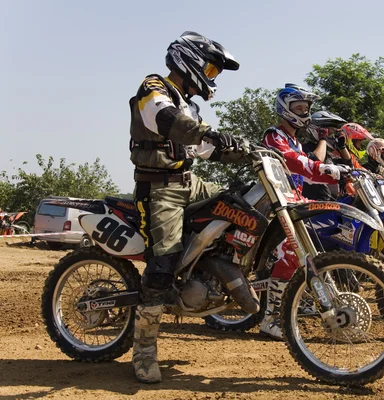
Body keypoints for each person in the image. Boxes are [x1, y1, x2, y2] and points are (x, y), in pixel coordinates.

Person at [129, 31, 242, 383]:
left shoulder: (188, 104)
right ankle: (144, 350)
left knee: (239, 204)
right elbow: (167, 120)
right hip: (158, 189)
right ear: (188, 59)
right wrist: (207, 135)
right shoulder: (154, 88)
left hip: (189, 183)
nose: (211, 78)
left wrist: (241, 149)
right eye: (210, 69)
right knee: (162, 261)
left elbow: (205, 148)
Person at [261, 84, 347, 339]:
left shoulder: (296, 140)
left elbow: (307, 172)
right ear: (285, 109)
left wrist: (343, 174)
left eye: (305, 107)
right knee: (289, 254)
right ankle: (270, 319)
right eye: (298, 107)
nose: (303, 111)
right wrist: (323, 170)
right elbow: (293, 162)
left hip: (292, 201)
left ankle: (307, 299)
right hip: (272, 203)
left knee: (310, 250)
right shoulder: (274, 135)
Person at [302, 110, 352, 200]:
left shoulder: (328, 155)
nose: (331, 135)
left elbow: (349, 166)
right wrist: (323, 139)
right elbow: (315, 162)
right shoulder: (303, 148)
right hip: (315, 202)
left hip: (333, 202)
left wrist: (342, 146)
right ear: (317, 130)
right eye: (329, 132)